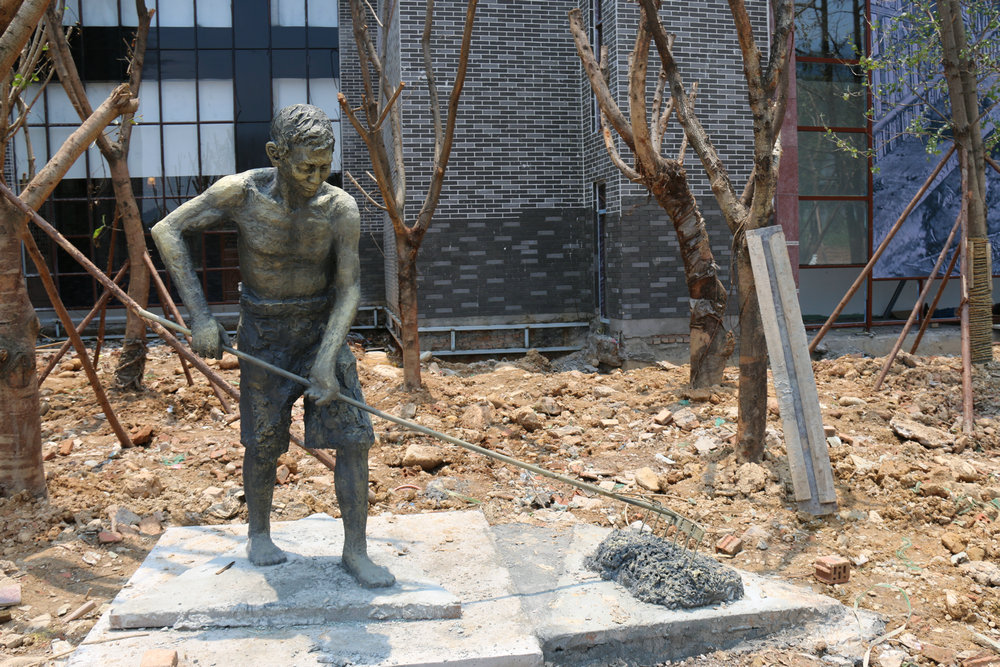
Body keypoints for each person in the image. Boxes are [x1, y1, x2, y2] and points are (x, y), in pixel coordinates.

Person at [151, 104, 394, 588]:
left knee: (354, 439)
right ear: (276, 155)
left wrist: (326, 361)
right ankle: (259, 534)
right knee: (263, 442)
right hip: (263, 333)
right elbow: (167, 230)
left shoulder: (338, 209)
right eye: (305, 168)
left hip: (320, 330)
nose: (316, 179)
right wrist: (201, 317)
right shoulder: (240, 193)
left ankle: (355, 551)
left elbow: (349, 289)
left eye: (324, 167)